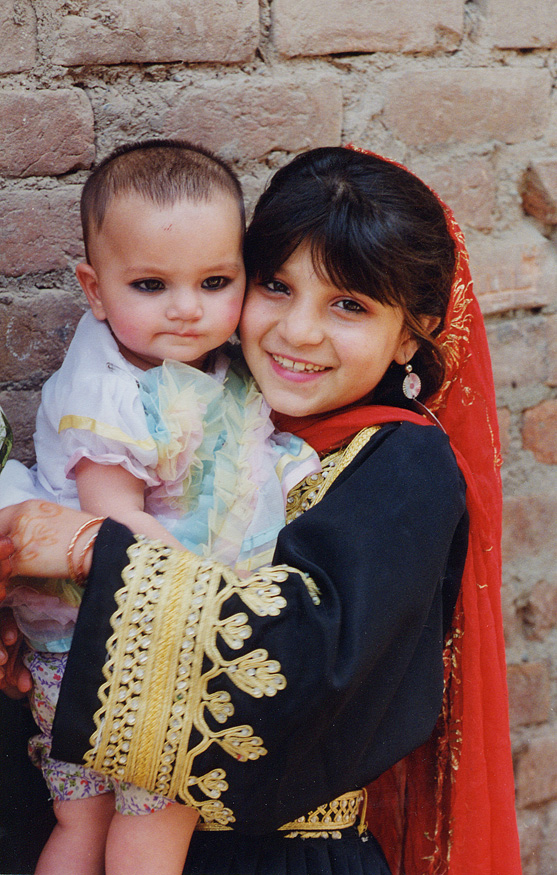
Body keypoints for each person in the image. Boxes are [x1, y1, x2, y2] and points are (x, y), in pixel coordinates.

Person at [0, 146, 522, 875]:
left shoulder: (403, 467)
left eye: (349, 304)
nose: (297, 332)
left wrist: (93, 549)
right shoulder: (201, 402)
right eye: (275, 286)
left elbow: (297, 654)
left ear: (410, 332)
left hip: (281, 856)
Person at [0, 140, 319, 875]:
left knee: (82, 824)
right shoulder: (109, 391)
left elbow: (231, 456)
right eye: (150, 284)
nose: (186, 308)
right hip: (129, 643)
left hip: (86, 648)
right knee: (151, 830)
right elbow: (116, 526)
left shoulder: (204, 365)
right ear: (94, 288)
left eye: (215, 281)